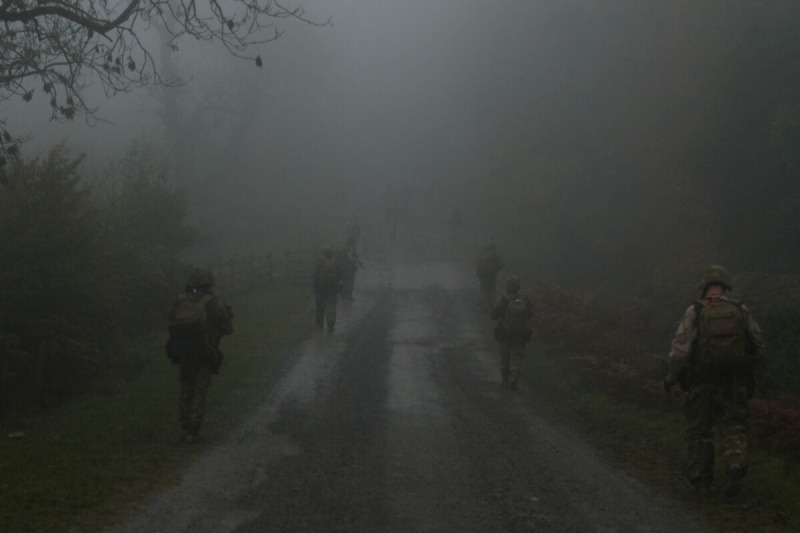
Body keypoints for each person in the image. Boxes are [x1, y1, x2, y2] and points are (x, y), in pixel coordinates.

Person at [664, 265, 763, 499]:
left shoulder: (696, 311)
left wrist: (671, 376)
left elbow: (680, 350)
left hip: (702, 383)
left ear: (705, 287)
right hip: (733, 382)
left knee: (699, 432)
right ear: (725, 287)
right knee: (733, 426)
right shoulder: (740, 309)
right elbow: (758, 344)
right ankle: (735, 463)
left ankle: (702, 484)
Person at [166, 268, 233, 443]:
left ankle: (184, 428)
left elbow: (170, 318)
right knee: (199, 391)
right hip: (205, 353)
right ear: (209, 283)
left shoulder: (179, 300)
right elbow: (228, 329)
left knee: (186, 388)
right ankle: (192, 432)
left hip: (182, 352)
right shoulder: (215, 302)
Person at [490, 276, 533, 391]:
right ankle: (514, 379)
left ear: (507, 287)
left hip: (504, 332)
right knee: (517, 356)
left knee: (505, 355)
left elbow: (493, 315)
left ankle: (505, 381)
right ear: (518, 287)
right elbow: (530, 315)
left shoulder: (503, 298)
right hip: (521, 333)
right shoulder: (525, 299)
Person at [313, 246, 343, 331]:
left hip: (321, 289)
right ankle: (331, 324)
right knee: (332, 306)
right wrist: (339, 288)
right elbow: (340, 276)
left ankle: (319, 323)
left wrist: (315, 288)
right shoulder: (335, 264)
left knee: (320, 306)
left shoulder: (320, 264)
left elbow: (316, 277)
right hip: (332, 289)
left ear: (324, 255)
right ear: (332, 255)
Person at [476, 242, 504, 311]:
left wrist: (479, 274)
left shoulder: (483, 256)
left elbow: (478, 265)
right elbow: (501, 265)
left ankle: (486, 305)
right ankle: (490, 306)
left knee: (486, 291)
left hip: (485, 277)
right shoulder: (494, 257)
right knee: (490, 291)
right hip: (490, 276)